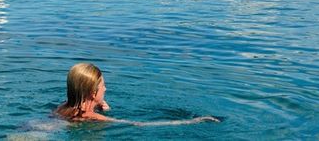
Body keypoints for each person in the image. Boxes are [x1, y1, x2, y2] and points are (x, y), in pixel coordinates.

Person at [53, 63, 219, 126]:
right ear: (92, 92)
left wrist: (99, 105)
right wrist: (193, 121)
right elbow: (138, 124)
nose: (106, 89)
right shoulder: (92, 117)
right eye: (103, 85)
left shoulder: (63, 106)